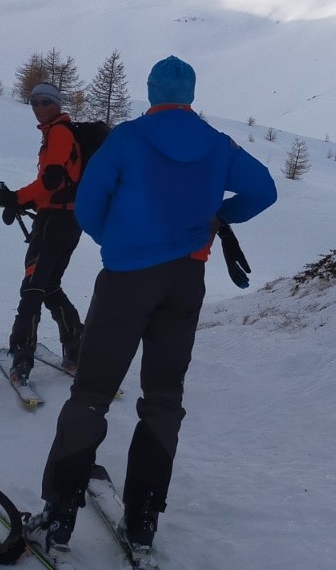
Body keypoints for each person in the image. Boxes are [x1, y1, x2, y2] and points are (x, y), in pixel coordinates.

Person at [30, 55, 277, 557]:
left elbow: (89, 203)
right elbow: (264, 190)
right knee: (163, 397)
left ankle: (58, 517)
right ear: (189, 93)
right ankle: (142, 519)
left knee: (93, 392)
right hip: (186, 281)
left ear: (151, 91)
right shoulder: (216, 143)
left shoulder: (128, 139)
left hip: (126, 279)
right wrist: (218, 215)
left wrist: (118, 242)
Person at [0, 81, 87, 383]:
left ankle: (22, 356)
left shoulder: (58, 133)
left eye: (46, 102)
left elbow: (51, 180)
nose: (40, 107)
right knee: (50, 286)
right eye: (35, 102)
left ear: (58, 104)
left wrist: (15, 198)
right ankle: (77, 350)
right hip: (68, 223)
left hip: (54, 223)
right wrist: (21, 203)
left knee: (33, 287)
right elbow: (56, 184)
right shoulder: (59, 133)